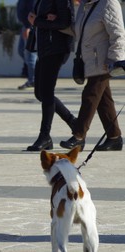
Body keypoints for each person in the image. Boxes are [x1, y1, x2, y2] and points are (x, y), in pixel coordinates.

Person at [60, 0, 125, 151]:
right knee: (104, 100)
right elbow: (80, 30)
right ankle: (114, 137)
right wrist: (55, 24)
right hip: (90, 61)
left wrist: (114, 59)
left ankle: (79, 136)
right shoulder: (85, 5)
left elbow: (118, 33)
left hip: (104, 62)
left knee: (90, 95)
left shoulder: (108, 3)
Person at [26, 0, 76, 151]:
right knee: (40, 93)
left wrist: (37, 21)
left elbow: (64, 22)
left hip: (56, 48)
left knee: (46, 93)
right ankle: (74, 122)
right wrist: (36, 19)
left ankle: (45, 136)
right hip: (44, 48)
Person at [16, 0, 37, 90]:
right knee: (22, 51)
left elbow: (32, 9)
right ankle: (35, 76)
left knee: (30, 54)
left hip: (30, 26)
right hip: (26, 25)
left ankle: (33, 80)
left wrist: (28, 26)